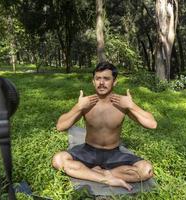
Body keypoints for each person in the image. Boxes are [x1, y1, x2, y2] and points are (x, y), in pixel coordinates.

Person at [52, 62, 157, 191]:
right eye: (98, 78)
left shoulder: (122, 104)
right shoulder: (87, 103)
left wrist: (131, 105)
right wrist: (78, 107)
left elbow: (152, 124)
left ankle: (98, 172)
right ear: (93, 81)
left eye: (106, 79)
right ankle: (105, 178)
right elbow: (60, 126)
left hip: (113, 154)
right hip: (88, 151)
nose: (101, 83)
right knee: (58, 160)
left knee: (146, 170)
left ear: (115, 82)